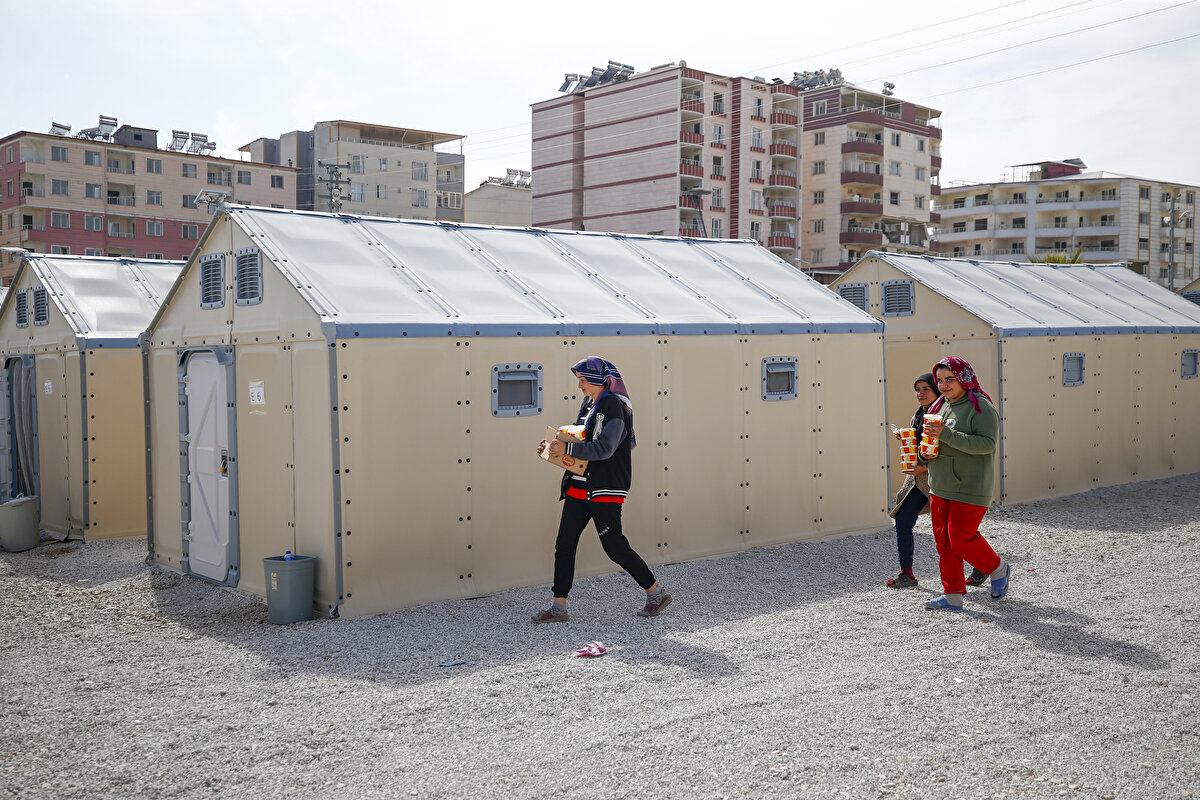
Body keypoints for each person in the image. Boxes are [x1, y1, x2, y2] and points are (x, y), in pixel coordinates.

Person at [531, 357, 671, 623]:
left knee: (614, 546)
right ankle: (559, 607)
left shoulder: (613, 405)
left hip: (606, 487)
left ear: (598, 379)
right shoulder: (589, 404)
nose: (580, 386)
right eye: (579, 381)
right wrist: (553, 450)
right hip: (580, 485)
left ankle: (656, 593)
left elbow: (605, 449)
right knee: (565, 544)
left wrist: (567, 449)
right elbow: (580, 441)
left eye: (583, 380)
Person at [920, 356, 1011, 611]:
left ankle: (998, 567)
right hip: (940, 484)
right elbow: (935, 442)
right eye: (940, 380)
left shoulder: (980, 406)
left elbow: (987, 444)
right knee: (944, 543)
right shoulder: (940, 406)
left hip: (970, 486)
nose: (944, 385)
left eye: (950, 379)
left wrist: (946, 435)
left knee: (960, 538)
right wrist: (923, 453)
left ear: (964, 377)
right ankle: (953, 595)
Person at [886, 373, 937, 588]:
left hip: (941, 479)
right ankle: (907, 573)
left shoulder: (944, 415)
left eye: (926, 389)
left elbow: (950, 450)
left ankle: (983, 566)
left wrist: (924, 466)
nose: (920, 393)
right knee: (903, 519)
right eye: (917, 389)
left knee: (955, 529)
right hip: (918, 480)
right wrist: (906, 439)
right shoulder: (918, 416)